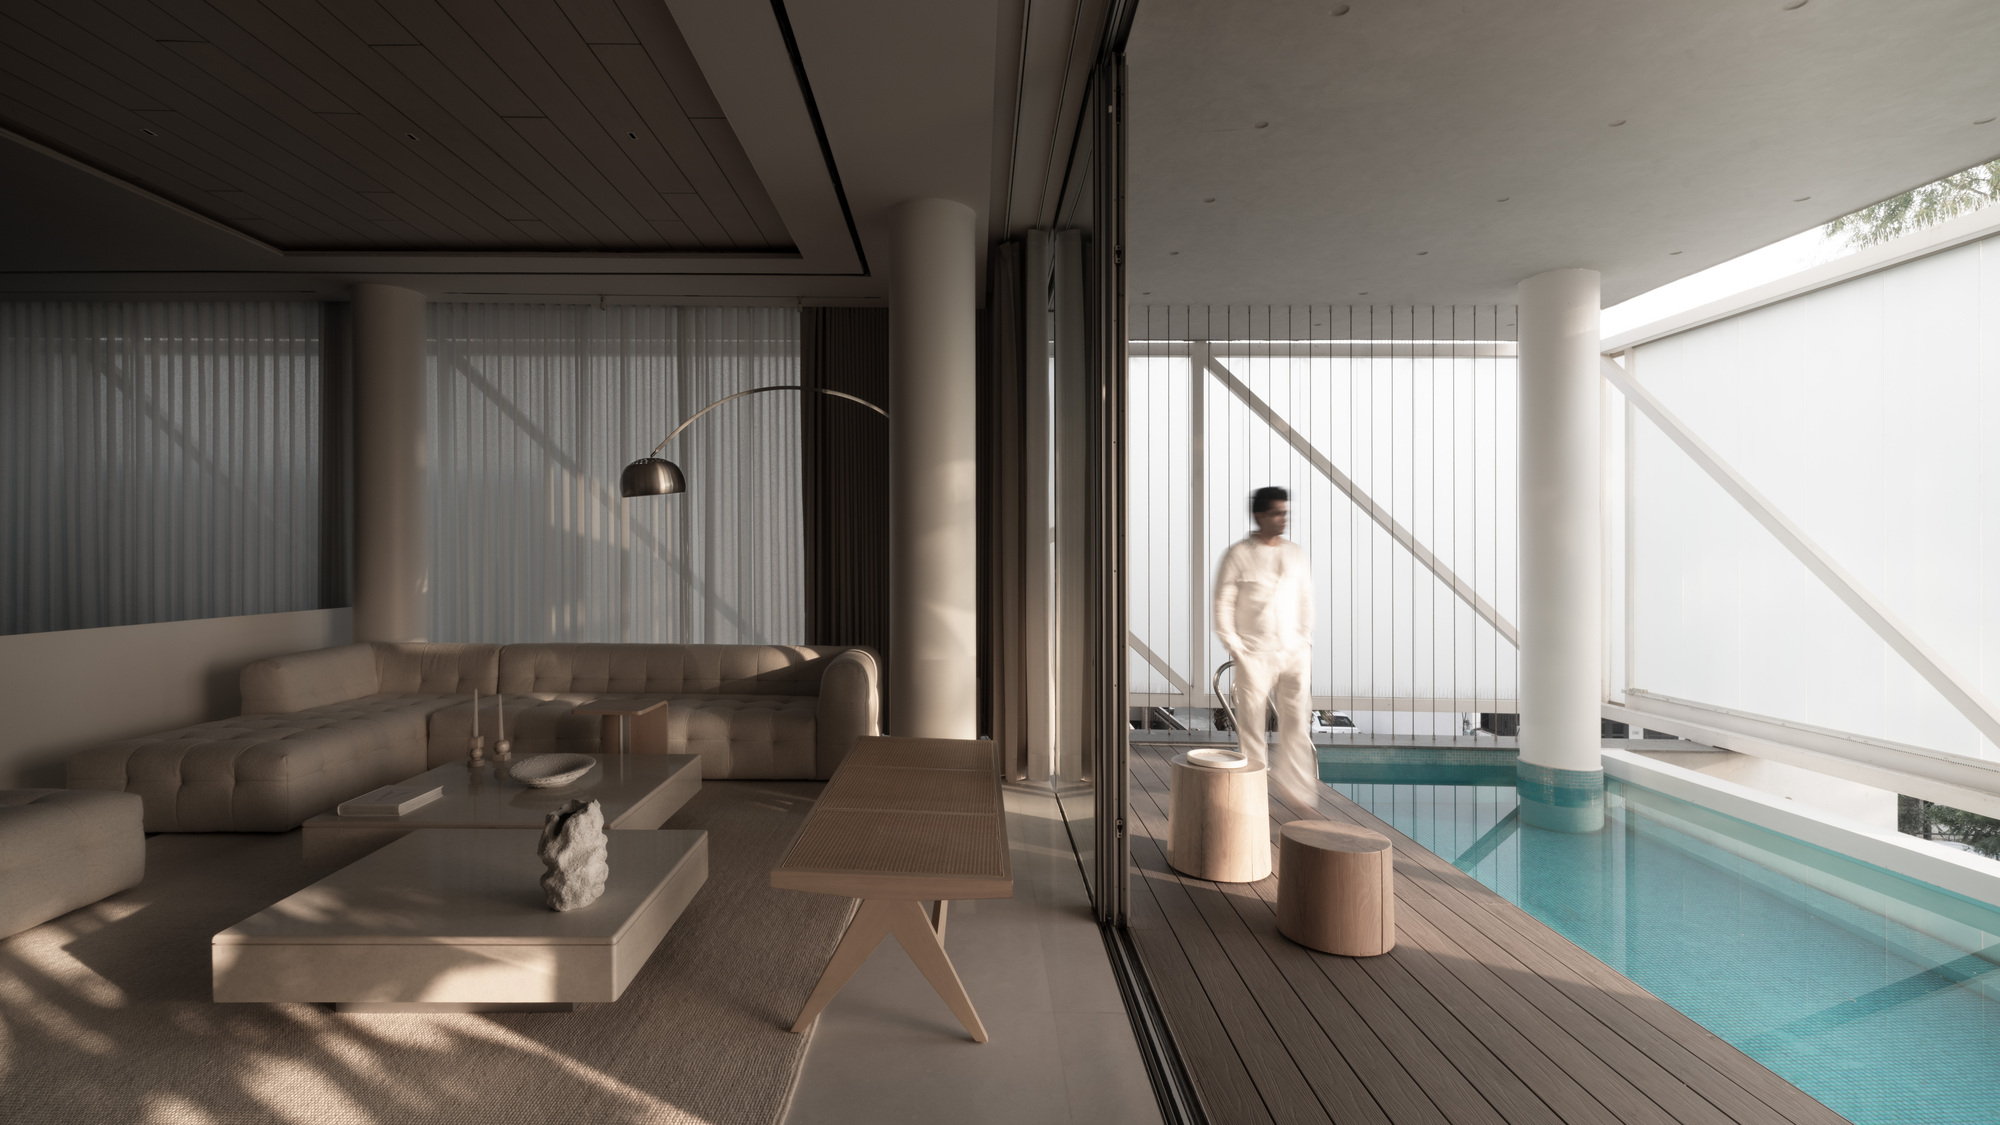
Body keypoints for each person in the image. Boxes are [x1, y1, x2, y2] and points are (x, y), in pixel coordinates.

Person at [1212, 486, 1318, 808]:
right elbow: (1223, 604)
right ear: (1260, 515)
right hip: (1254, 654)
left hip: (1294, 653)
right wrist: (1236, 647)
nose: (1284, 518)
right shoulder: (1238, 555)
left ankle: (1300, 795)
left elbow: (1305, 600)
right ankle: (1252, 798)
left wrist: (1304, 642)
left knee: (1298, 723)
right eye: (1278, 513)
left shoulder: (1295, 553)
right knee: (1252, 728)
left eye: (1285, 512)